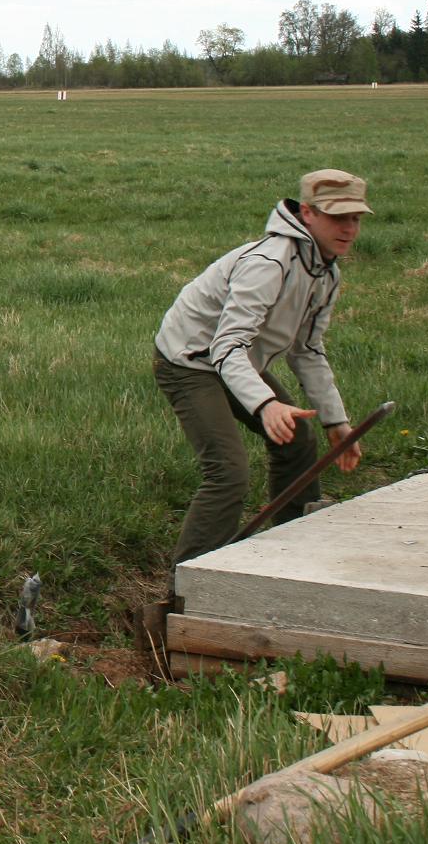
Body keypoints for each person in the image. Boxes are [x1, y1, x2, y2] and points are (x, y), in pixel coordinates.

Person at [152, 169, 371, 567]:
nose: (349, 228)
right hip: (190, 361)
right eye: (338, 217)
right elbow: (225, 346)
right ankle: (189, 583)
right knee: (228, 472)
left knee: (298, 440)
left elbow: (306, 350)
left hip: (235, 359)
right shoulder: (270, 263)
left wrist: (336, 421)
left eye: (356, 218)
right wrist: (266, 405)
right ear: (307, 213)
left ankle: (289, 553)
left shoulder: (326, 272)